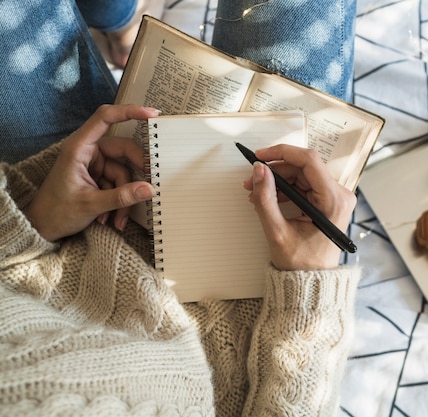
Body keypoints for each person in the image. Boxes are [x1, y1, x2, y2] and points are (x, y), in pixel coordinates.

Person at [0, 0, 360, 415]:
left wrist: (33, 223)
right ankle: (118, 24)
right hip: (260, 301)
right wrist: (310, 286)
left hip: (45, 233)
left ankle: (117, 21)